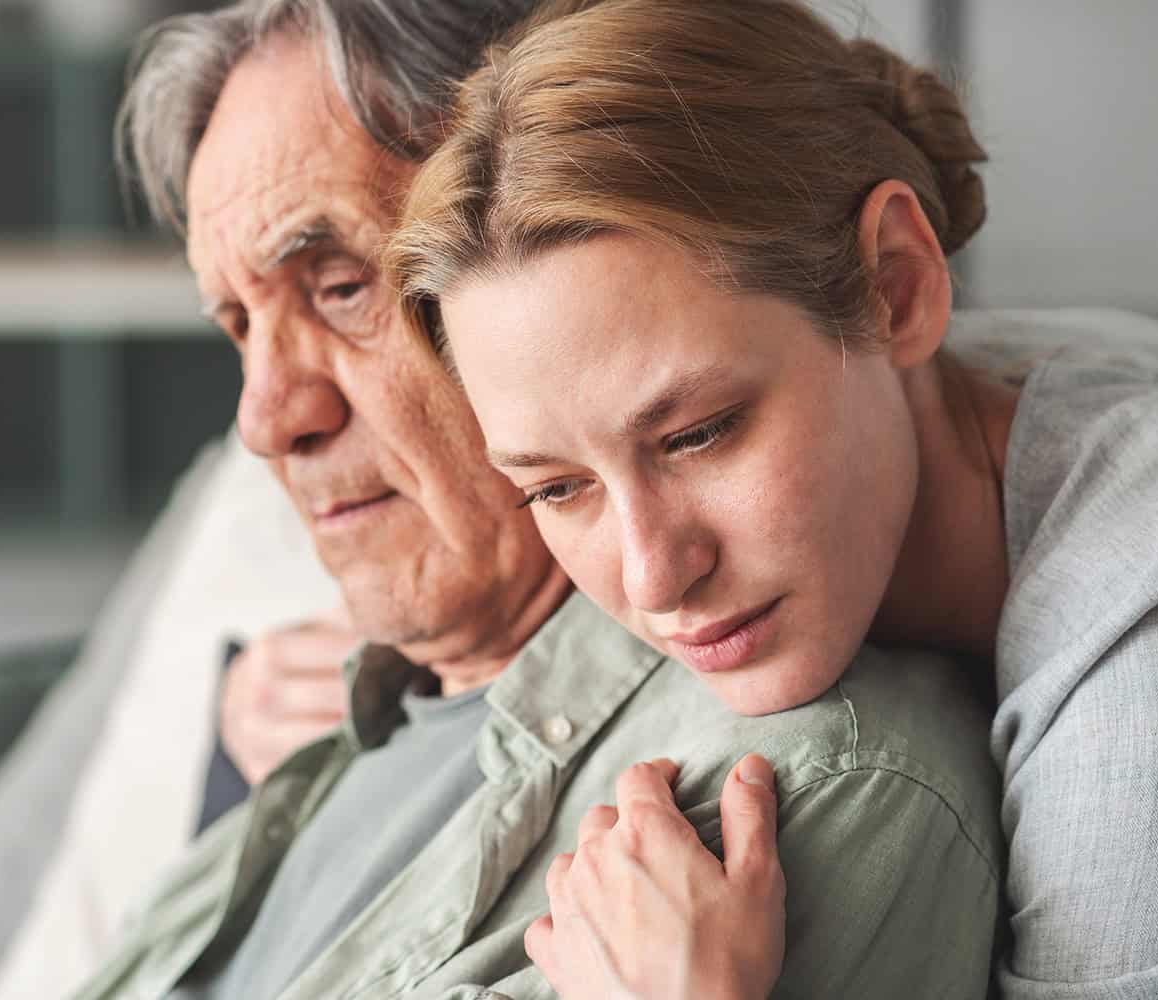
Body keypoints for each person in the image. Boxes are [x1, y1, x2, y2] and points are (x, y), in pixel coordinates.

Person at [66, 0, 1005, 997]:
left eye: (341, 286)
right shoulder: (329, 709)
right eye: (238, 325)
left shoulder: (769, 803)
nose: (264, 417)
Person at [385, 0, 1158, 997]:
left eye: (698, 433)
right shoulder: (939, 389)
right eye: (559, 487)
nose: (656, 573)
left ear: (900, 285)